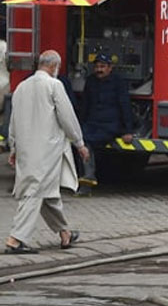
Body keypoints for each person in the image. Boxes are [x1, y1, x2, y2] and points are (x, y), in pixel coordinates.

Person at [5, 50, 89, 254]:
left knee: (47, 193)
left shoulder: (22, 87)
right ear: (53, 67)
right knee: (34, 191)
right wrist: (79, 143)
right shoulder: (54, 85)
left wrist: (13, 147)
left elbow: (13, 121)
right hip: (47, 150)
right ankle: (15, 239)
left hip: (26, 149)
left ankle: (64, 233)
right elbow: (67, 117)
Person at [76, 53, 135, 196]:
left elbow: (125, 106)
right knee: (80, 141)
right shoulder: (91, 81)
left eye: (102, 67)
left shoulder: (118, 82)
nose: (99, 70)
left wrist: (127, 130)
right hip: (92, 123)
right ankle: (87, 177)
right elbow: (85, 105)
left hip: (110, 125)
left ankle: (88, 177)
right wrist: (79, 126)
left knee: (87, 141)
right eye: (97, 67)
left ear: (110, 68)